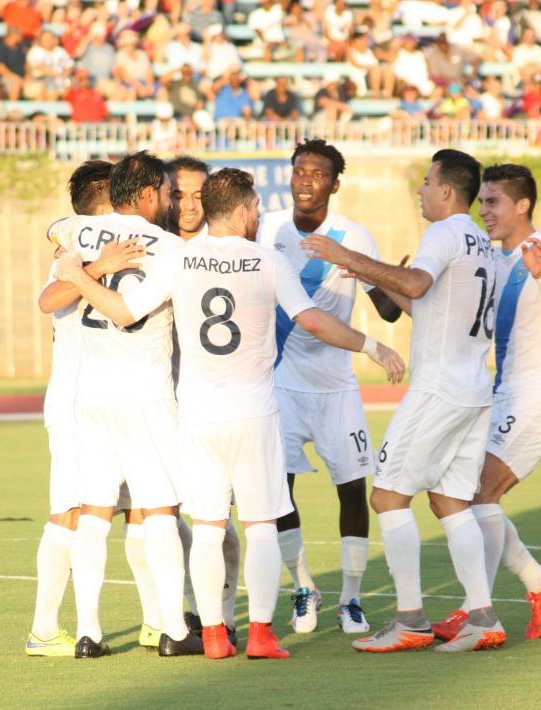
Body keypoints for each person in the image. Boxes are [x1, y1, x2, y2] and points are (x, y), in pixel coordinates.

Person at [55, 168, 405, 660]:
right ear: (241, 210)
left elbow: (123, 311)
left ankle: (215, 635)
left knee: (207, 529)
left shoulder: (179, 258)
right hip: (254, 413)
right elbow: (312, 321)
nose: (259, 215)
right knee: (261, 526)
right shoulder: (268, 260)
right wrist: (370, 345)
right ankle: (260, 634)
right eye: (257, 207)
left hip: (199, 416)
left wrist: (75, 276)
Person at [303, 149, 503, 653]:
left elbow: (415, 280)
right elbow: (430, 308)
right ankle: (484, 618)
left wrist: (345, 256)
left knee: (387, 496)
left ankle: (410, 620)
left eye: (427, 182)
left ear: (447, 191)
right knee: (451, 501)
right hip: (475, 386)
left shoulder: (444, 232)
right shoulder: (484, 241)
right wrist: (372, 276)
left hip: (438, 387)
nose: (420, 190)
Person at [46, 151, 197, 659]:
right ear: (151, 194)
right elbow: (129, 312)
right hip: (144, 391)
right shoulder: (170, 247)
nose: (173, 202)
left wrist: (78, 261)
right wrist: (94, 276)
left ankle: (88, 630)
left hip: (90, 392)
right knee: (159, 510)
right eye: (170, 194)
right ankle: (173, 628)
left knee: (94, 510)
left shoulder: (79, 230)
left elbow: (58, 233)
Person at [429, 163, 541, 644]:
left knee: (475, 494)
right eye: (482, 202)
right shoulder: (494, 261)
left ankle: (477, 610)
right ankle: (539, 582)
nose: (484, 211)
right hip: (504, 393)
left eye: (493, 202)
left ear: (523, 204)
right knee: (460, 492)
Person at [257, 140, 402, 635]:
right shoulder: (267, 228)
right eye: (300, 171)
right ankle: (303, 588)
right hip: (280, 383)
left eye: (317, 174)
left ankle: (351, 599)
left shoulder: (353, 235)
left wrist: (379, 275)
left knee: (352, 491)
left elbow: (387, 309)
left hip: (337, 386)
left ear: (334, 184)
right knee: (281, 491)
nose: (305, 180)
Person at [26, 161, 151, 657]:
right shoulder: (72, 254)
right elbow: (48, 299)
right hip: (77, 402)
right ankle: (43, 629)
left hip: (121, 395)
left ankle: (156, 619)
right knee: (73, 512)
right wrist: (96, 267)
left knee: (142, 509)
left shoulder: (126, 247)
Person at [163, 155, 243, 646]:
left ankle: (225, 614)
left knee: (218, 521)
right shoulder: (155, 249)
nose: (188, 205)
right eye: (178, 194)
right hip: (158, 403)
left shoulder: (233, 250)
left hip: (213, 405)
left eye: (198, 194)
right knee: (160, 517)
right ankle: (175, 616)